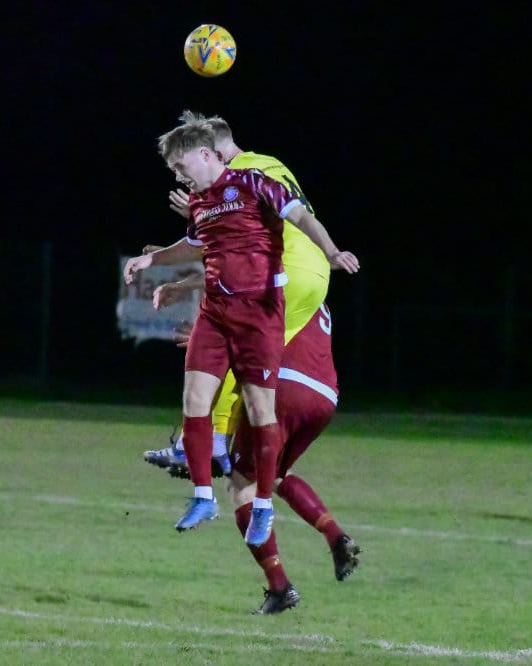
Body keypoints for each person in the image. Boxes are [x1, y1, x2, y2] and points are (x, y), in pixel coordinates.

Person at [123, 120, 359, 546]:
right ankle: (203, 496)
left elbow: (299, 215)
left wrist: (331, 250)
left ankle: (262, 503)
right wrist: (152, 261)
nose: (178, 175)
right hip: (216, 311)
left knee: (259, 408)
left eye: (180, 165)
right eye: (172, 169)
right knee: (194, 399)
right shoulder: (201, 201)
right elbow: (197, 246)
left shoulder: (253, 181)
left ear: (208, 154)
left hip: (260, 313)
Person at [142, 111, 335, 481]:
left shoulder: (239, 177)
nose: (186, 177)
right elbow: (234, 252)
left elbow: (233, 244)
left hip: (284, 270)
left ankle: (207, 442)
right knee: (245, 353)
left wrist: (201, 214)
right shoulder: (269, 164)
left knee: (235, 348)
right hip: (313, 275)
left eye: (185, 165)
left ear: (212, 154)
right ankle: (215, 441)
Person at [174, 304, 361, 614]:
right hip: (324, 396)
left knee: (240, 484)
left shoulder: (272, 283)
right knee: (272, 473)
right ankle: (335, 536)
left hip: (282, 385)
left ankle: (280, 586)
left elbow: (245, 327)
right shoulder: (316, 290)